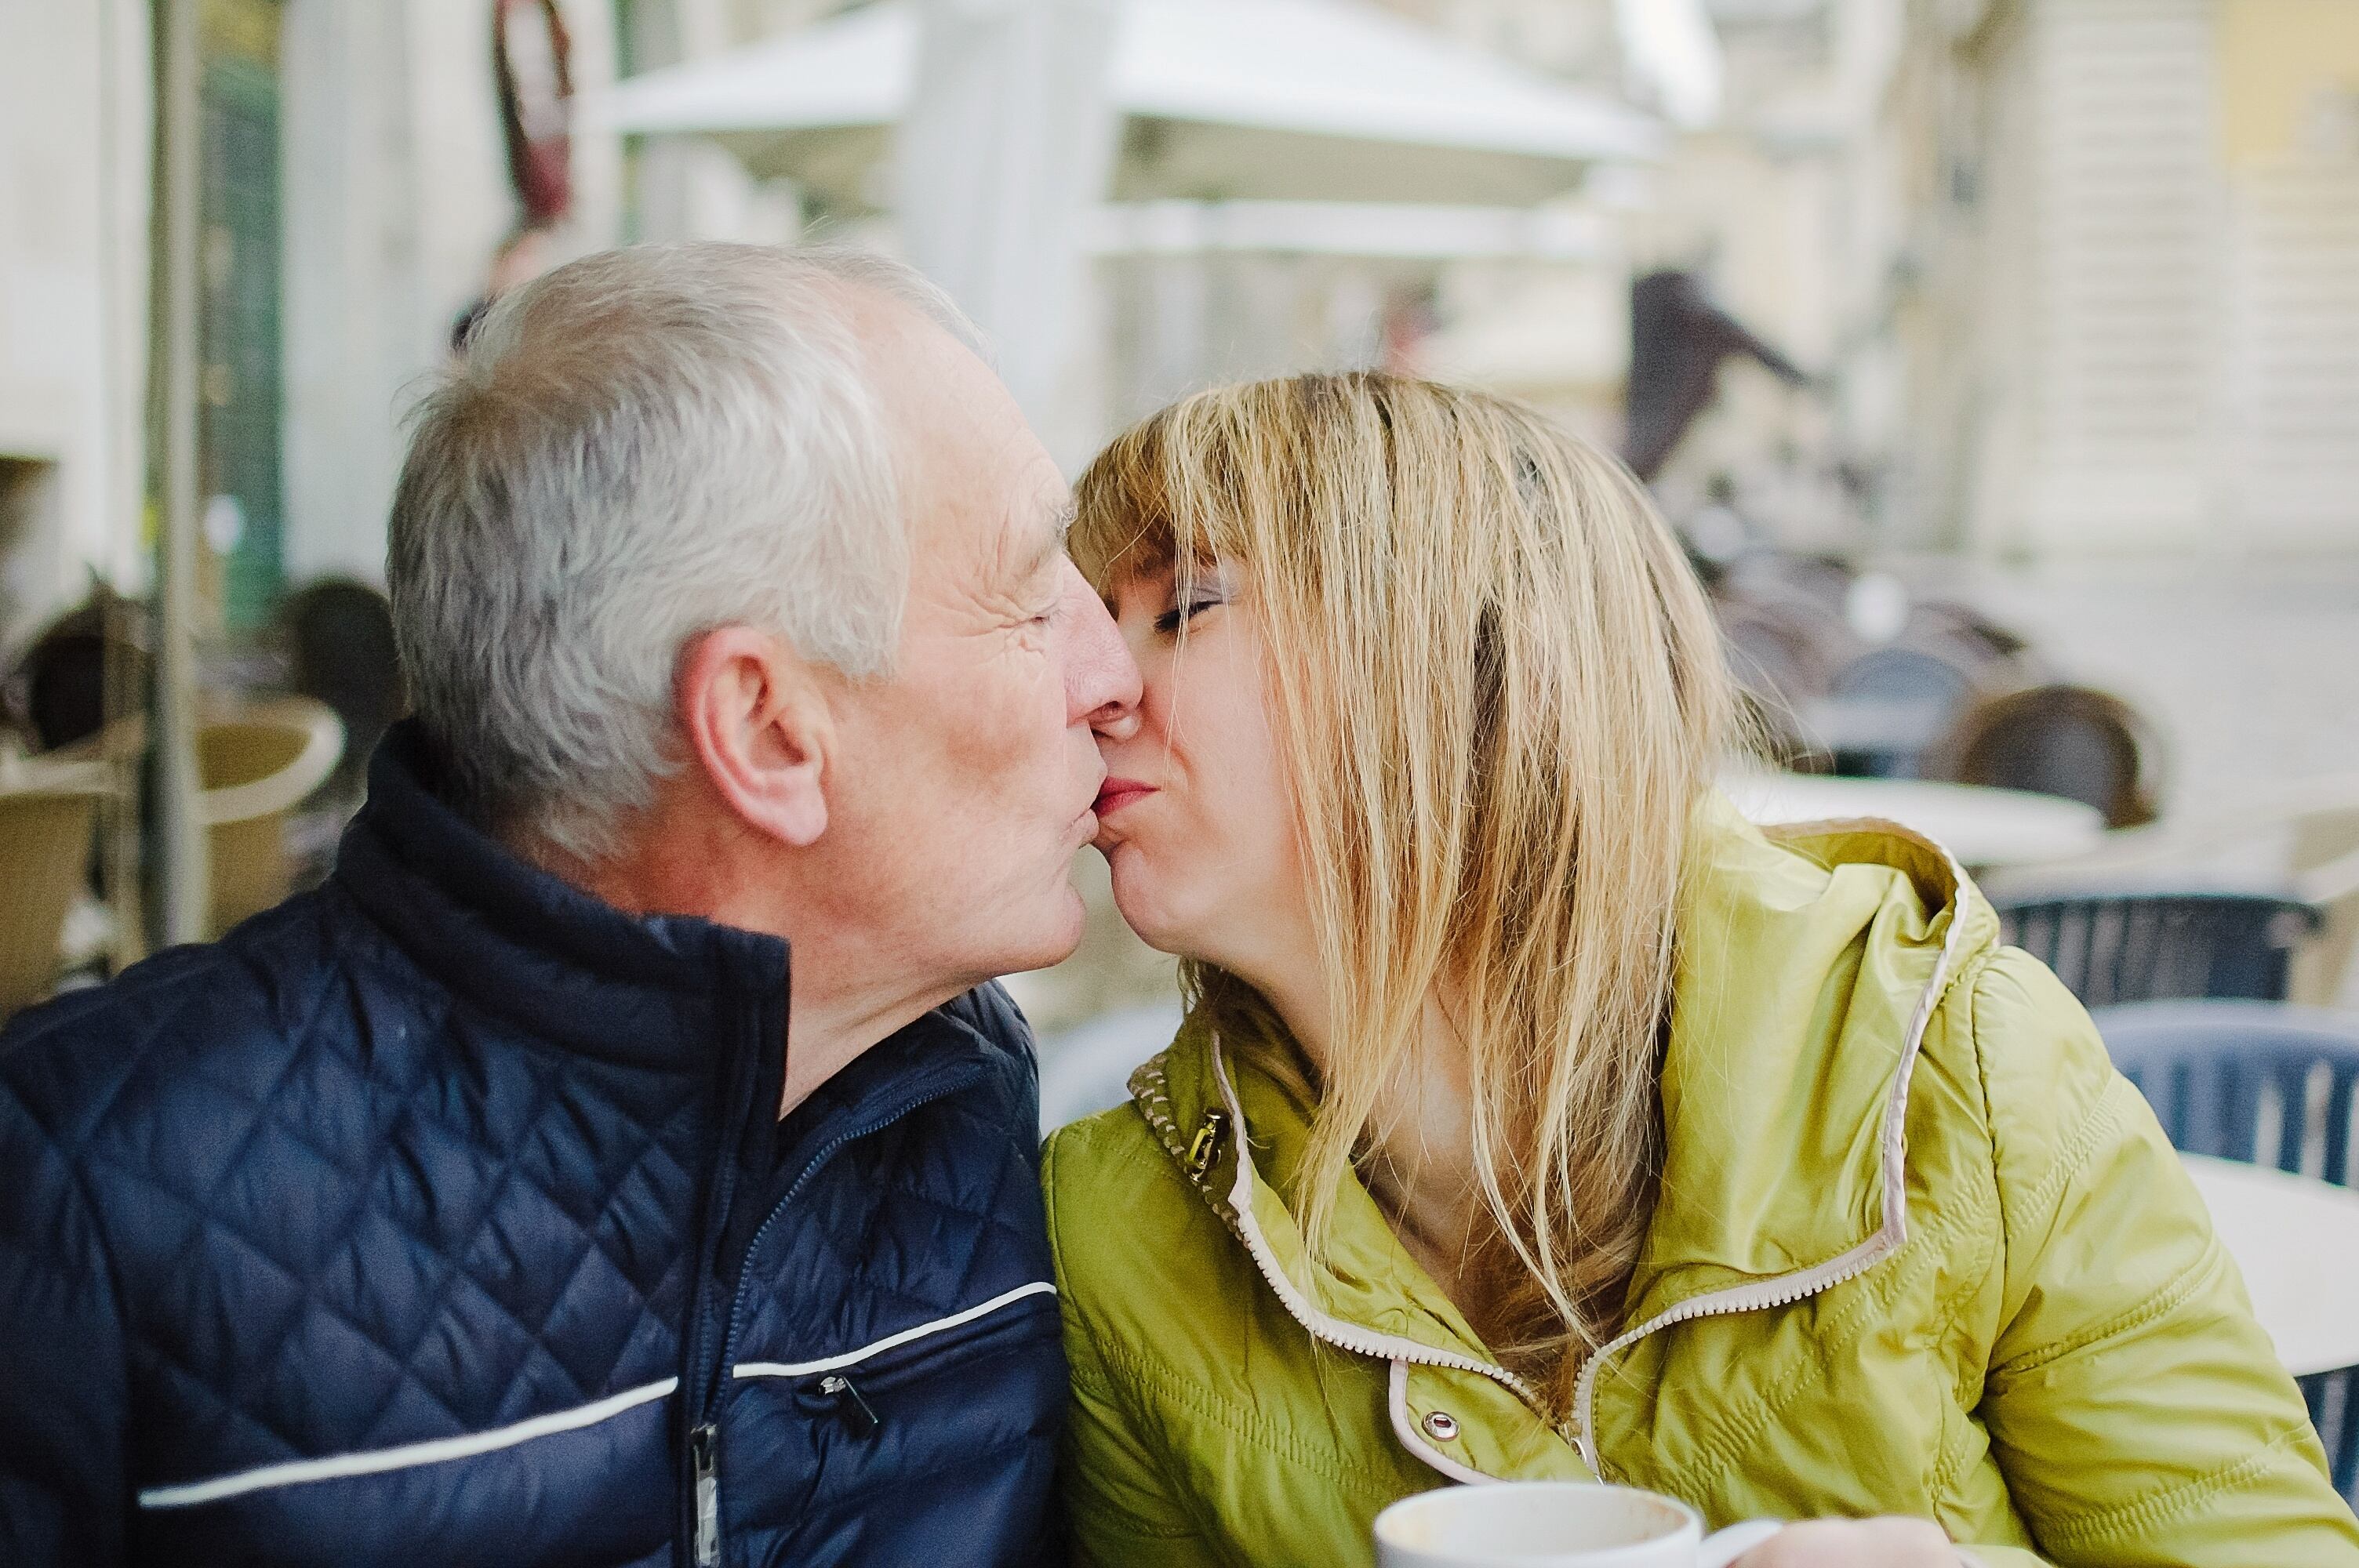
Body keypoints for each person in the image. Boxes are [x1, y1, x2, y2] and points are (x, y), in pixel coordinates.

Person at [1043, 372, 2359, 1567]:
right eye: (1095, 619)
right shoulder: (1119, 1231)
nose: (1094, 679)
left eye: (1184, 605)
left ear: (1452, 663)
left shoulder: (1947, 1062)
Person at [0, 242, 1140, 1566]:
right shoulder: (80, 1192)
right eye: (1026, 594)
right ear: (768, 731)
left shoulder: (954, 1079)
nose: (1111, 672)